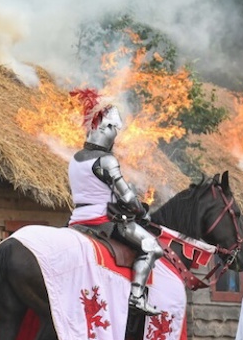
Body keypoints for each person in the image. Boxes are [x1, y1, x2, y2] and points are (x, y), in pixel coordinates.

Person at [66, 89, 163, 316]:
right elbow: (127, 197)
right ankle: (137, 297)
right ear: (104, 128)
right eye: (114, 129)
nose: (116, 135)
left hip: (76, 220)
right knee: (152, 247)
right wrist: (141, 213)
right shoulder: (106, 160)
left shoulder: (74, 158)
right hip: (103, 221)